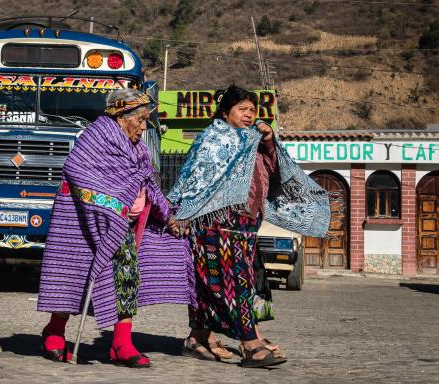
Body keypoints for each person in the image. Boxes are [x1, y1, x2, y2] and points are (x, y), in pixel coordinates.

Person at [168, 86, 330, 368]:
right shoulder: (213, 139)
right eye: (243, 109)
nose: (249, 115)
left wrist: (268, 140)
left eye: (253, 111)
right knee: (233, 284)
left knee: (218, 285)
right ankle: (251, 343)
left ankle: (197, 338)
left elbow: (277, 169)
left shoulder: (252, 139)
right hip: (216, 225)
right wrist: (185, 213)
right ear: (224, 111)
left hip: (245, 224)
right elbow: (197, 180)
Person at [37, 88, 194, 368]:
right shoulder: (96, 139)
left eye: (147, 120)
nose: (144, 126)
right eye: (141, 119)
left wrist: (168, 215)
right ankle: (55, 330)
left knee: (126, 278)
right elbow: (78, 173)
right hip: (85, 223)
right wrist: (114, 202)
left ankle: (121, 344)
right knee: (75, 278)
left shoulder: (138, 147)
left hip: (124, 226)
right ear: (121, 115)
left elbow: (147, 183)